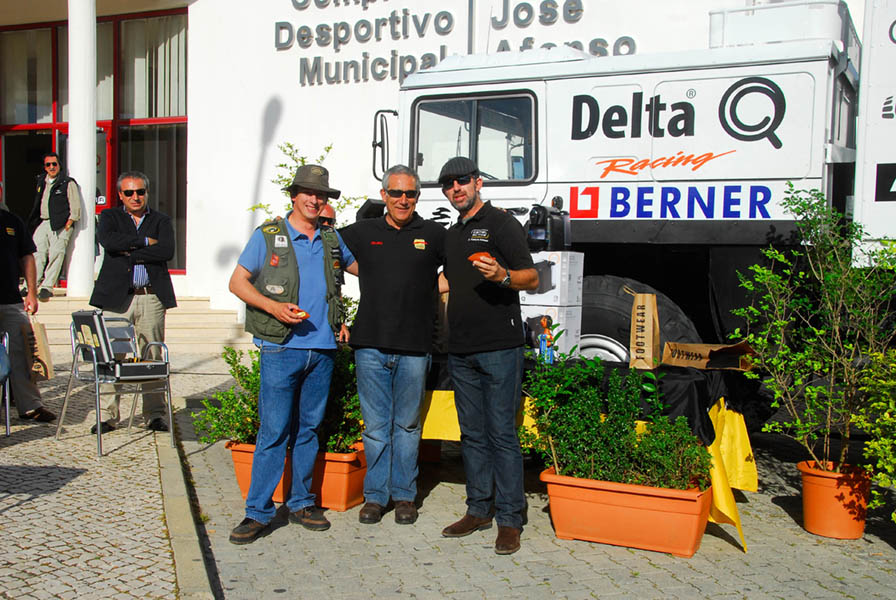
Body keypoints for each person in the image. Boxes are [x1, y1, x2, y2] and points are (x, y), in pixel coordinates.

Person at [228, 164, 357, 545]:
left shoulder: (332, 239)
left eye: (321, 195)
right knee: (273, 431)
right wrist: (272, 307)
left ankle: (301, 503)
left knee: (309, 430)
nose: (315, 200)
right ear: (294, 196)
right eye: (308, 193)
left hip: (323, 349)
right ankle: (257, 512)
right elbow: (237, 282)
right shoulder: (268, 236)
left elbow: (368, 270)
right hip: (281, 347)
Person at [437, 156, 538, 555]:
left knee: (501, 433)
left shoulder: (501, 224)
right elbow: (449, 279)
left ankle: (510, 519)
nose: (455, 188)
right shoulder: (452, 234)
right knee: (472, 434)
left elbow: (532, 276)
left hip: (499, 347)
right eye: (448, 184)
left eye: (462, 180)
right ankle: (478, 509)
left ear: (477, 182)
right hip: (461, 350)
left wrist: (503, 276)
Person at [340, 165, 446, 525]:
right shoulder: (361, 232)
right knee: (375, 427)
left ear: (417, 197)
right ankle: (374, 497)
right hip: (370, 345)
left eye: (410, 194)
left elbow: (460, 268)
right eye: (396, 193)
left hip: (415, 347)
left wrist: (430, 288)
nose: (403, 200)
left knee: (407, 427)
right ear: (384, 195)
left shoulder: (434, 234)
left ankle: (404, 496)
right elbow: (323, 250)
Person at [89, 171, 176, 434]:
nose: (135, 197)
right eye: (129, 193)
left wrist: (129, 251)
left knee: (152, 355)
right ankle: (107, 416)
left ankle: (155, 414)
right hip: (117, 298)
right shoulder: (110, 217)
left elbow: (166, 250)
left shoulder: (160, 220)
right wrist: (144, 242)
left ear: (147, 192)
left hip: (150, 296)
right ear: (120, 195)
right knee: (111, 356)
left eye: (140, 192)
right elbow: (108, 241)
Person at [0, 182, 57, 422]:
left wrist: (32, 292)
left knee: (23, 353)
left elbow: (27, 256)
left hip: (11, 300)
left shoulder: (12, 222)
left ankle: (30, 406)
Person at [27, 152, 82, 301]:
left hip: (60, 224)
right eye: (48, 164)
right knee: (37, 253)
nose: (51, 167)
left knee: (56, 254)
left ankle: (47, 287)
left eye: (54, 164)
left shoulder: (67, 182)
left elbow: (75, 205)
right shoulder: (41, 181)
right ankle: (31, 285)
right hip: (44, 222)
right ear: (45, 167)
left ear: (59, 165)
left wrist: (69, 222)